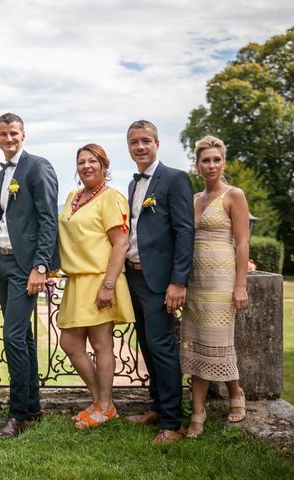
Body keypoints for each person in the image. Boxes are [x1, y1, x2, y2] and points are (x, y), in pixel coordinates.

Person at [124, 120, 195, 445]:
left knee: (163, 348)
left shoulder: (175, 178)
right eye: (134, 142)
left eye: (145, 141)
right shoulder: (133, 184)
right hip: (134, 275)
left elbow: (184, 231)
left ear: (157, 143)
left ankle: (173, 423)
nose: (140, 147)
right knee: (148, 346)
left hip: (160, 280)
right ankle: (156, 407)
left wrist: (178, 282)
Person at [57, 144, 134, 429]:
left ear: (104, 166)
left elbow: (121, 243)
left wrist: (109, 285)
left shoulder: (112, 198)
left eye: (93, 161)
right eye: (81, 161)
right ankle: (101, 401)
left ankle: (104, 405)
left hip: (100, 278)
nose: (86, 166)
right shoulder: (72, 197)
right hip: (77, 280)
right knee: (70, 342)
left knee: (102, 344)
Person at [0, 113, 58, 438]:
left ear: (23, 134)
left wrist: (41, 266)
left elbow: (48, 219)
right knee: (25, 339)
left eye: (13, 133)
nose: (9, 138)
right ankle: (32, 407)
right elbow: (4, 221)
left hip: (25, 267)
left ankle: (17, 415)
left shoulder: (38, 167)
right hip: (1, 263)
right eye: (3, 134)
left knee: (13, 337)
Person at [180, 135, 249, 438]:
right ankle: (200, 409)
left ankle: (225, 400)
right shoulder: (194, 198)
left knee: (219, 343)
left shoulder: (234, 195)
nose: (211, 165)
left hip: (221, 280)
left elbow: (243, 242)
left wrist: (240, 286)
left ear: (224, 162)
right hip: (195, 280)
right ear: (197, 165)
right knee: (197, 345)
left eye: (216, 160)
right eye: (205, 160)